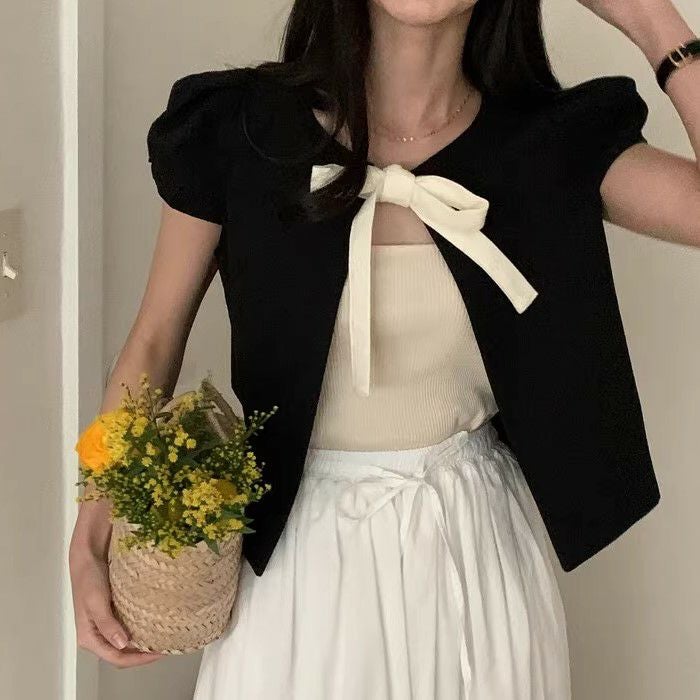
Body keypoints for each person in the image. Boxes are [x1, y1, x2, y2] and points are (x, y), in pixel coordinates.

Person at [69, 0, 700, 697]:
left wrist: (652, 20)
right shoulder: (238, 129)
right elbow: (155, 338)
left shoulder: (549, 143)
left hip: (474, 558)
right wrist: (92, 525)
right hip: (295, 563)